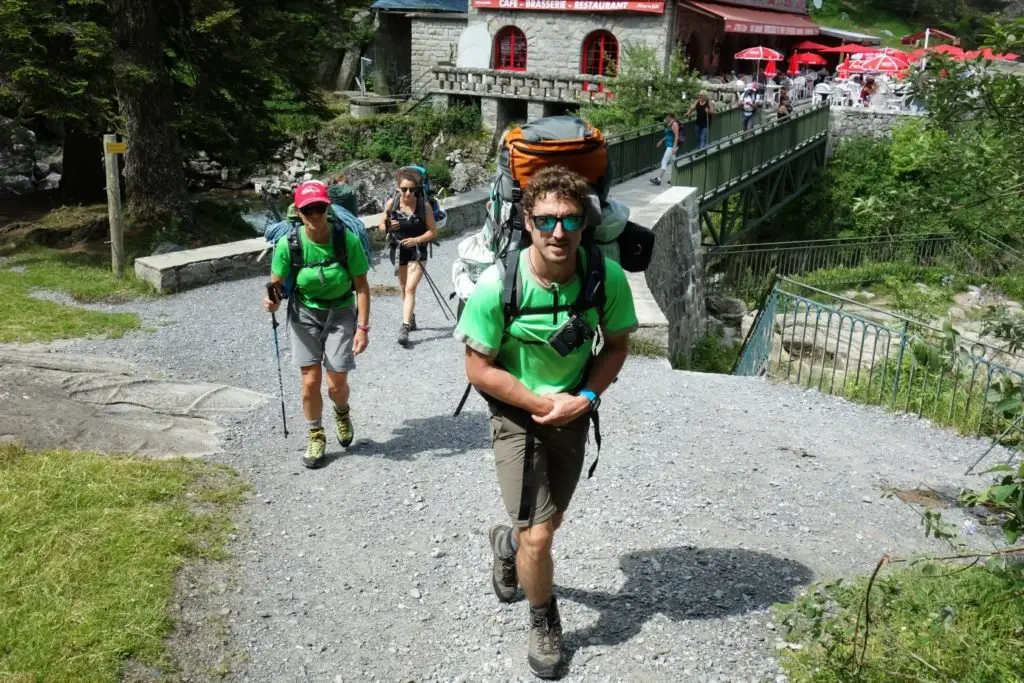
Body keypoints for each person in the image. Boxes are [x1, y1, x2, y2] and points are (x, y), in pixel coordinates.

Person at [456, 166, 637, 679]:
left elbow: (618, 346)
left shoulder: (607, 278)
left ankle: (506, 544)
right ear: (526, 222)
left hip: (572, 412)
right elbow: (477, 367)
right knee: (540, 536)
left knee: (546, 524)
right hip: (517, 412)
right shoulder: (499, 284)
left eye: (570, 219)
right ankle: (544, 621)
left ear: (585, 223)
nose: (558, 232)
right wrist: (538, 403)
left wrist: (583, 397)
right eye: (546, 220)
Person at [263, 181, 372, 469]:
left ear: (328, 208)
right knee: (310, 381)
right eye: (308, 209)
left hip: (340, 312)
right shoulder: (290, 244)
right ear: (299, 212)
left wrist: (362, 328)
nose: (314, 214)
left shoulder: (345, 240)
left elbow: (361, 286)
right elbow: (276, 282)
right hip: (304, 314)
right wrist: (272, 301)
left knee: (336, 384)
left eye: (319, 208)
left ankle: (341, 411)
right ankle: (316, 434)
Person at [379, 168, 437, 346]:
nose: (408, 193)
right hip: (398, 251)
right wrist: (389, 226)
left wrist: (416, 240)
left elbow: (433, 232)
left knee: (410, 288)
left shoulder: (423, 206)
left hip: (418, 252)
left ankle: (404, 327)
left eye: (412, 189)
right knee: (404, 288)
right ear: (398, 189)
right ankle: (410, 317)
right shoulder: (392, 203)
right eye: (404, 189)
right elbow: (381, 226)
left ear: (417, 190)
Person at [649, 112, 680, 186]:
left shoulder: (674, 124)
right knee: (674, 162)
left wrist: (674, 147)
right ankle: (675, 178)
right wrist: (661, 140)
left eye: (666, 117)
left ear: (670, 116)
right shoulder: (670, 124)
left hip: (671, 146)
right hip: (669, 145)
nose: (666, 118)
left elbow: (676, 135)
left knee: (664, 161)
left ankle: (659, 179)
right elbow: (668, 135)